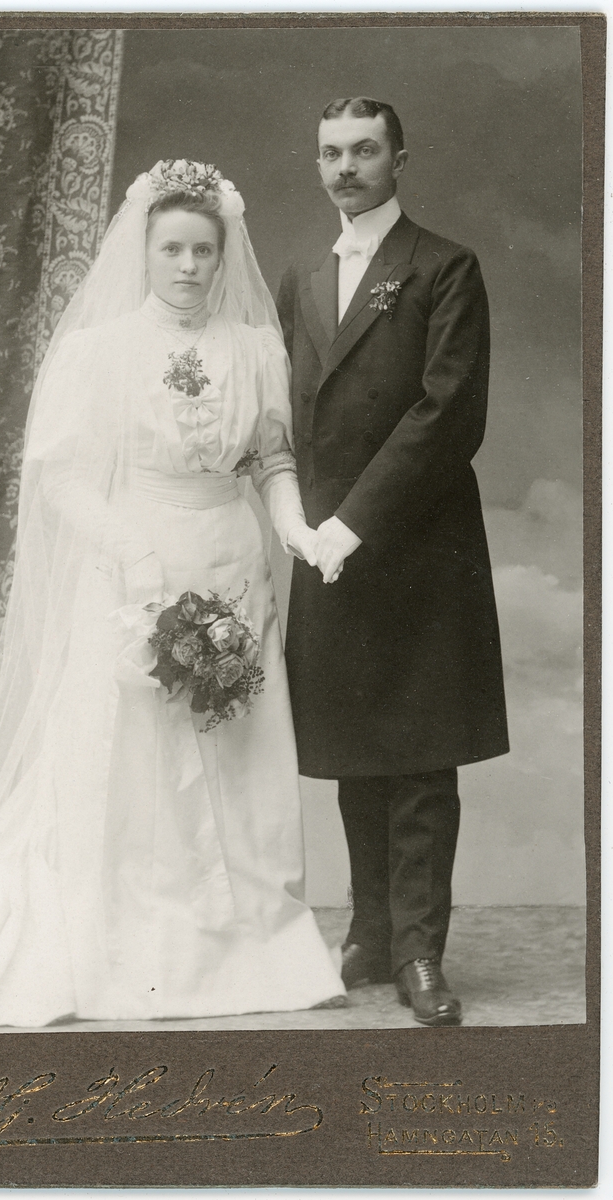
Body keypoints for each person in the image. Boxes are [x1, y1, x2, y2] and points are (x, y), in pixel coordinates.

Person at [0, 160, 346, 1028]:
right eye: (171, 249)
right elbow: (60, 475)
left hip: (233, 562)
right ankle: (139, 939)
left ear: (224, 256)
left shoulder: (256, 348)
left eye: (203, 250)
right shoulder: (100, 350)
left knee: (237, 743)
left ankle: (244, 936)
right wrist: (132, 553)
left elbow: (271, 459)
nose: (188, 265)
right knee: (137, 753)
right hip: (136, 562)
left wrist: (296, 529)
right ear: (142, 252)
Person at [277, 98, 509, 1027]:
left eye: (364, 151)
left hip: (417, 546)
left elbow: (448, 413)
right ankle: (370, 930)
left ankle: (419, 952)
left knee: (419, 760)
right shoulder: (302, 275)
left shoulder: (445, 267)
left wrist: (356, 522)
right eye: (331, 152)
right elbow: (293, 407)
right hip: (330, 551)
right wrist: (304, 522)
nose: (345, 168)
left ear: (399, 159)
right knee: (356, 753)